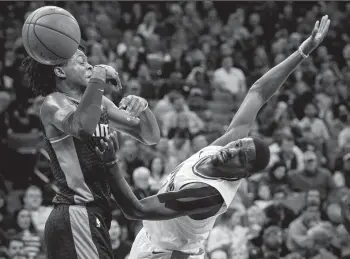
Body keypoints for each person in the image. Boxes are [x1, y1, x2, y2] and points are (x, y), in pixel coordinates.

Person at [95, 16, 331, 259]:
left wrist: (111, 163)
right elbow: (259, 92)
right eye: (239, 144)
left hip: (169, 254)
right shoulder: (224, 148)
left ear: (243, 173)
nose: (233, 149)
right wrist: (303, 51)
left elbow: (136, 209)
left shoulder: (209, 194)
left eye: (241, 156)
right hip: (151, 239)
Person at [21, 42, 160, 259]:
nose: (90, 66)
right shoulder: (54, 102)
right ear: (59, 71)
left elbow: (149, 136)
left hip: (95, 214)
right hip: (76, 210)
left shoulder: (99, 102)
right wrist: (99, 75)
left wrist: (143, 108)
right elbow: (82, 127)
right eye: (81, 61)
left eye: (90, 63)